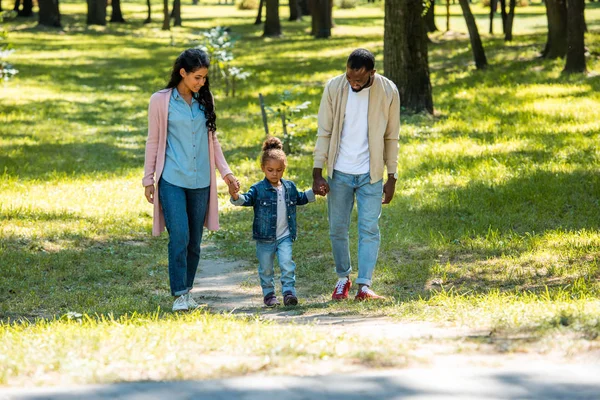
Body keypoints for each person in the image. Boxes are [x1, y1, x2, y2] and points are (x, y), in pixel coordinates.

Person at [142, 48, 240, 312]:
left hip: (201, 182)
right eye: (197, 77)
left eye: (204, 78)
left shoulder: (204, 101)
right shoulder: (160, 101)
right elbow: (153, 141)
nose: (201, 83)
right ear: (182, 73)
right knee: (180, 236)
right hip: (172, 179)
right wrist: (148, 179)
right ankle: (179, 295)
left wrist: (226, 173)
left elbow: (213, 141)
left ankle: (187, 292)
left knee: (194, 241)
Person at [312, 48, 400, 301]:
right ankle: (343, 279)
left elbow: (391, 136)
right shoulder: (334, 87)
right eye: (349, 77)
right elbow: (324, 131)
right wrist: (318, 172)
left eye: (359, 80)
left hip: (370, 174)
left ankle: (364, 285)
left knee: (369, 229)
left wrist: (391, 176)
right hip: (339, 172)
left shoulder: (388, 91)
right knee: (337, 229)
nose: (353, 83)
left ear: (372, 73)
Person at [229, 137, 316, 307]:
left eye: (279, 170)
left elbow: (301, 198)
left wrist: (315, 191)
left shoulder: (289, 187)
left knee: (287, 264)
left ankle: (289, 292)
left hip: (285, 236)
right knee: (266, 268)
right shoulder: (259, 189)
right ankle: (269, 294)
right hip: (265, 238)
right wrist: (235, 196)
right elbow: (246, 199)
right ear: (263, 168)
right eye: (270, 170)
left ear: (284, 169)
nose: (274, 174)